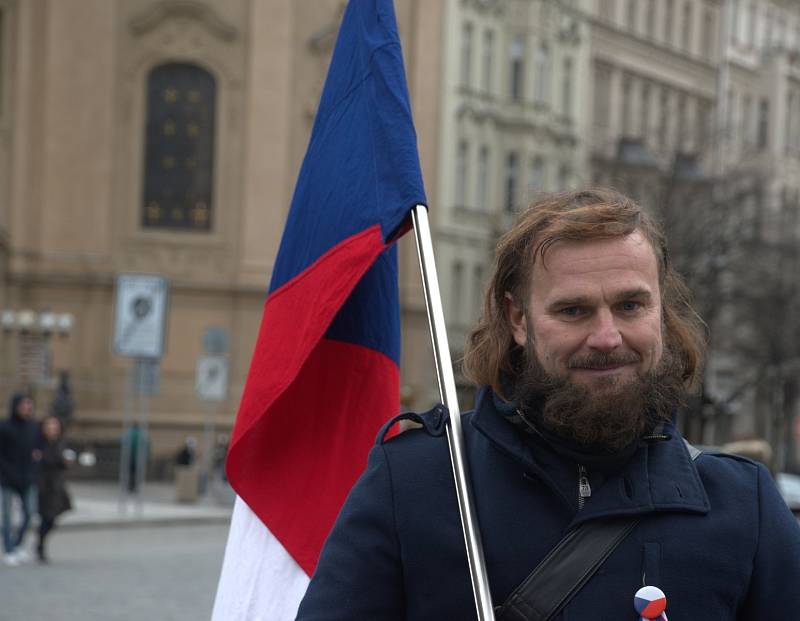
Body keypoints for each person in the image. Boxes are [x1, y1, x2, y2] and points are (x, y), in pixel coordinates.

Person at [296, 189, 800, 619]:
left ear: (660, 311)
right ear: (518, 320)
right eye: (573, 310)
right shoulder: (416, 481)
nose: (606, 337)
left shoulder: (742, 503)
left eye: (630, 305)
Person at [0, 393, 41, 566]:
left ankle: (16, 545)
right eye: (24, 405)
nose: (27, 408)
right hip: (8, 478)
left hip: (28, 477)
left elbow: (38, 448)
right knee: (7, 517)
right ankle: (9, 550)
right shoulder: (4, 427)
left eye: (29, 405)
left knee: (30, 512)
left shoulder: (33, 427)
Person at [36, 416, 72, 563]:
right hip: (42, 485)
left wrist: (67, 461)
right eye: (49, 425)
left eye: (54, 425)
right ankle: (40, 546)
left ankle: (40, 542)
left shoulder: (61, 442)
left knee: (52, 518)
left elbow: (62, 463)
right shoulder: (38, 443)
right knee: (46, 516)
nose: (52, 428)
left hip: (57, 485)